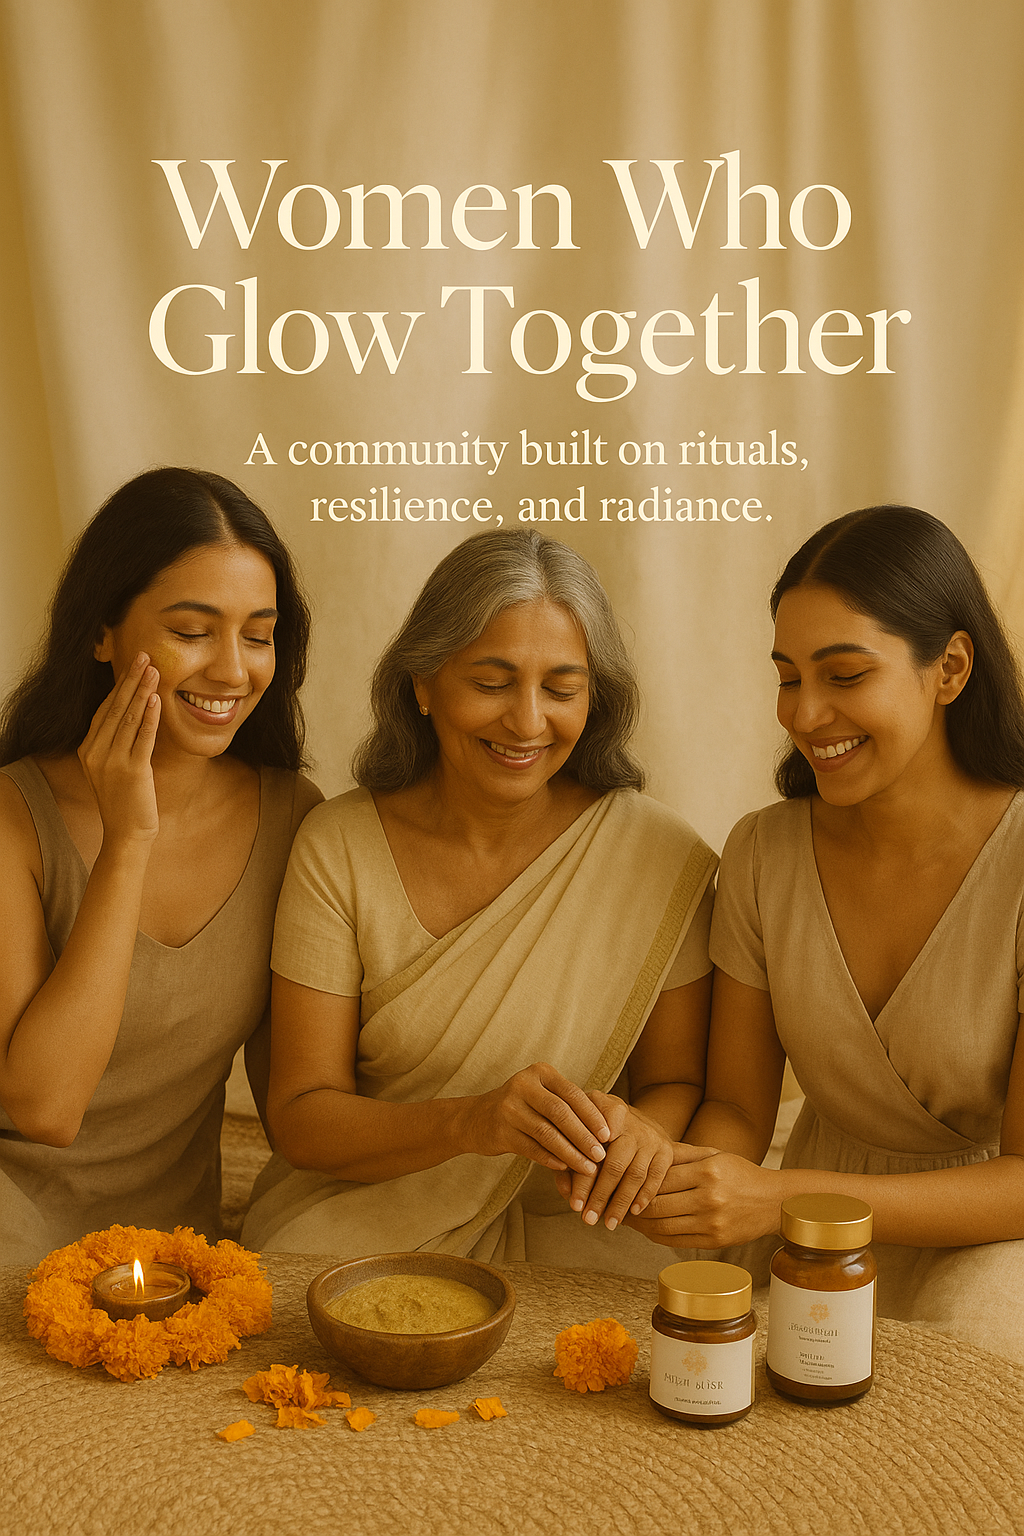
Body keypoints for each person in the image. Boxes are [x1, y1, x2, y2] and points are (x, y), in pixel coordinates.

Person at [242, 529, 716, 1273]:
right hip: (367, 1209)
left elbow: (676, 1081)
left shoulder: (659, 855)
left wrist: (641, 1136)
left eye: (561, 689)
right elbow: (301, 1118)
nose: (527, 722)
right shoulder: (337, 844)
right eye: (492, 683)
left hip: (585, 1215)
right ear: (422, 684)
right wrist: (473, 1122)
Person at [626, 505, 1024, 1362]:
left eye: (844, 676)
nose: (805, 715)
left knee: (990, 1350)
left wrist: (780, 1198)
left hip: (987, 1235)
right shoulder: (764, 851)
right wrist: (684, 1182)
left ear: (949, 669)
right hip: (797, 1229)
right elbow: (736, 1107)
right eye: (787, 676)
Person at [0, 467, 321, 1264]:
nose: (232, 671)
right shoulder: (12, 814)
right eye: (191, 631)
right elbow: (44, 1108)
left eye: (257, 634)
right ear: (101, 633)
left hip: (177, 1249)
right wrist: (128, 843)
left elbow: (296, 1109)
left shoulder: (294, 818)